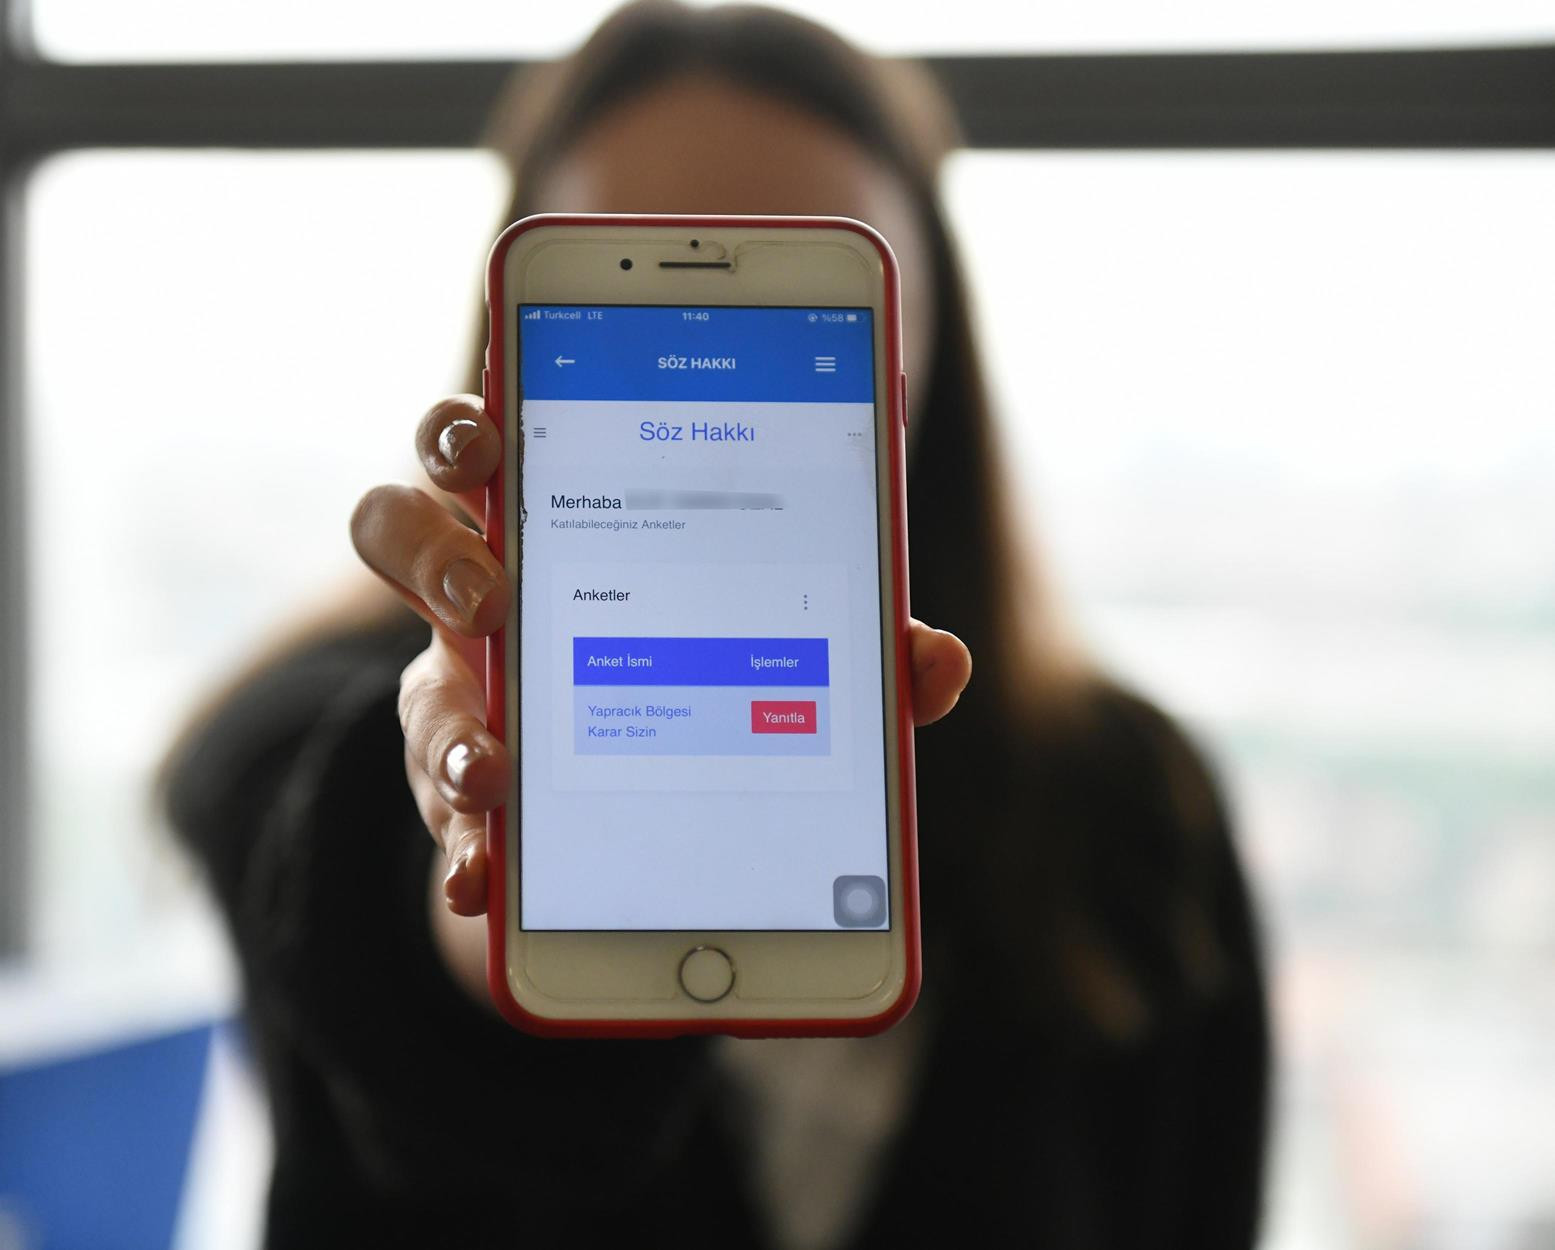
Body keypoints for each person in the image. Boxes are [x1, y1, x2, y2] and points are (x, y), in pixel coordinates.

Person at [161, 4, 1270, 1247]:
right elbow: (349, 923)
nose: (715, 357)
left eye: (794, 309)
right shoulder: (295, 751)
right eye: (632, 301)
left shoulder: (1132, 810)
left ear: (925, 353)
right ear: (508, 351)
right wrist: (472, 877)